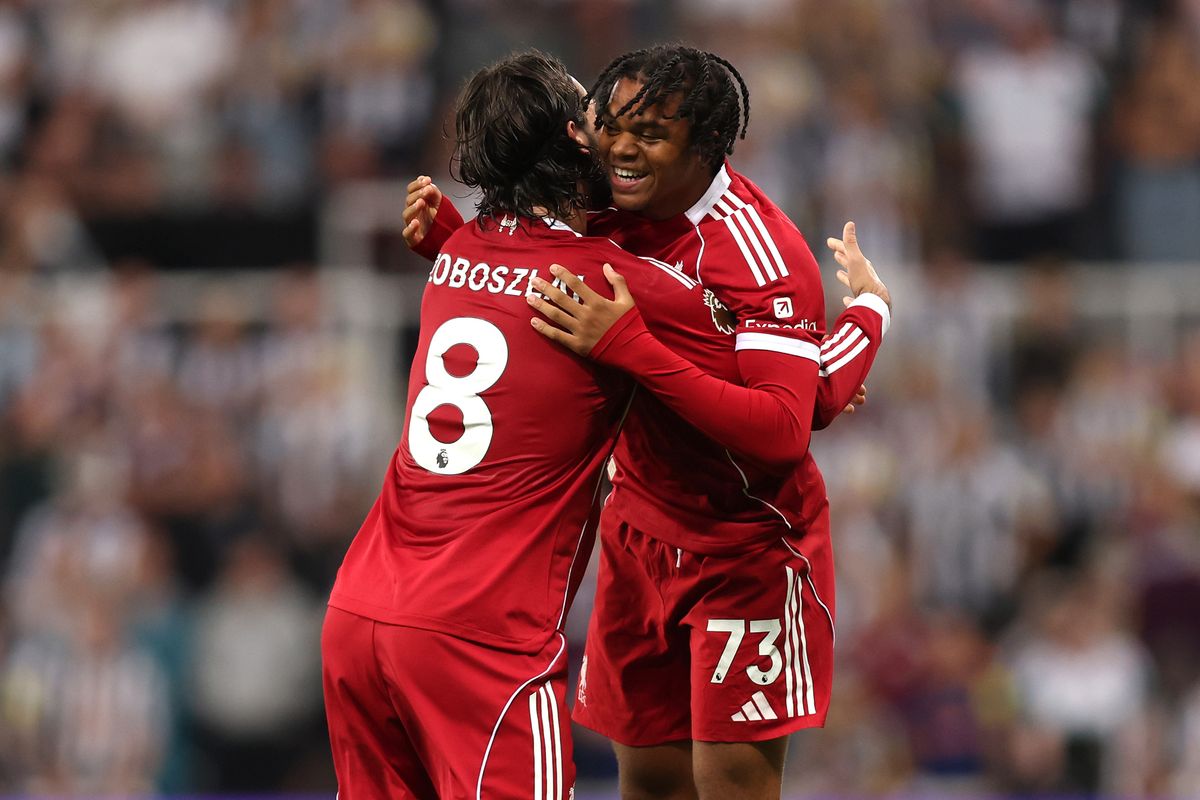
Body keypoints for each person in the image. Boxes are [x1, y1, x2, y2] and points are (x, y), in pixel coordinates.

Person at [326, 50, 886, 800]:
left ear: (708, 147)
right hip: (635, 535)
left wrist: (864, 317)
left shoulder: (760, 251)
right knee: (650, 783)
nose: (620, 148)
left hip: (742, 545)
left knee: (727, 786)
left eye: (649, 132)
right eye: (609, 126)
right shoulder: (605, 220)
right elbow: (801, 390)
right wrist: (860, 322)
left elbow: (787, 421)